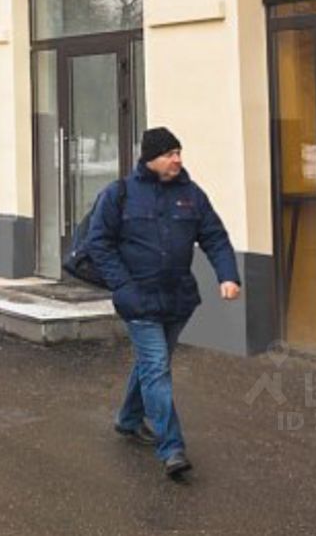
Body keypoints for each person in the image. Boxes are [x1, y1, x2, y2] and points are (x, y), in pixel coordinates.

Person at [86, 126, 241, 480]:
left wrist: (228, 276)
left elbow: (215, 237)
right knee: (156, 367)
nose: (177, 160)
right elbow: (99, 243)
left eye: (179, 153)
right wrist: (123, 286)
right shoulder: (120, 194)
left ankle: (128, 419)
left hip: (178, 298)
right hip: (138, 300)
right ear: (150, 158)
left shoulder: (191, 195)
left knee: (152, 364)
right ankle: (172, 448)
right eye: (170, 154)